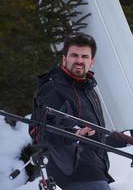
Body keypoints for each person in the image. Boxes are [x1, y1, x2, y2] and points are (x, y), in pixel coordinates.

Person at [30, 33, 118, 190]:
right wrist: (73, 135)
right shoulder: (53, 89)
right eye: (74, 55)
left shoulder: (88, 88)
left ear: (92, 61)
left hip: (95, 168)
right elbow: (38, 131)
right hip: (72, 171)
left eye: (84, 56)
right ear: (64, 59)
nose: (79, 61)